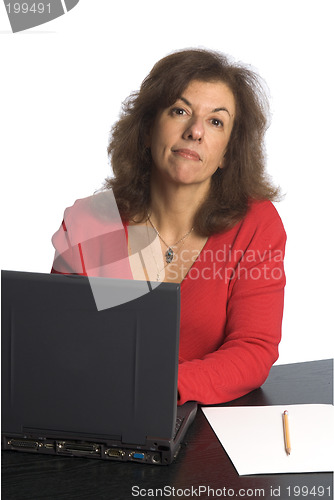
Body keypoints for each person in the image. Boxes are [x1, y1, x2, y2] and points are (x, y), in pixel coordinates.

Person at [51, 48, 286, 405]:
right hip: (99, 411)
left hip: (201, 421)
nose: (194, 131)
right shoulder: (92, 222)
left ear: (226, 154)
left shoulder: (254, 223)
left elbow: (253, 349)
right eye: (180, 111)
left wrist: (165, 385)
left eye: (215, 121)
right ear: (147, 130)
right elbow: (62, 342)